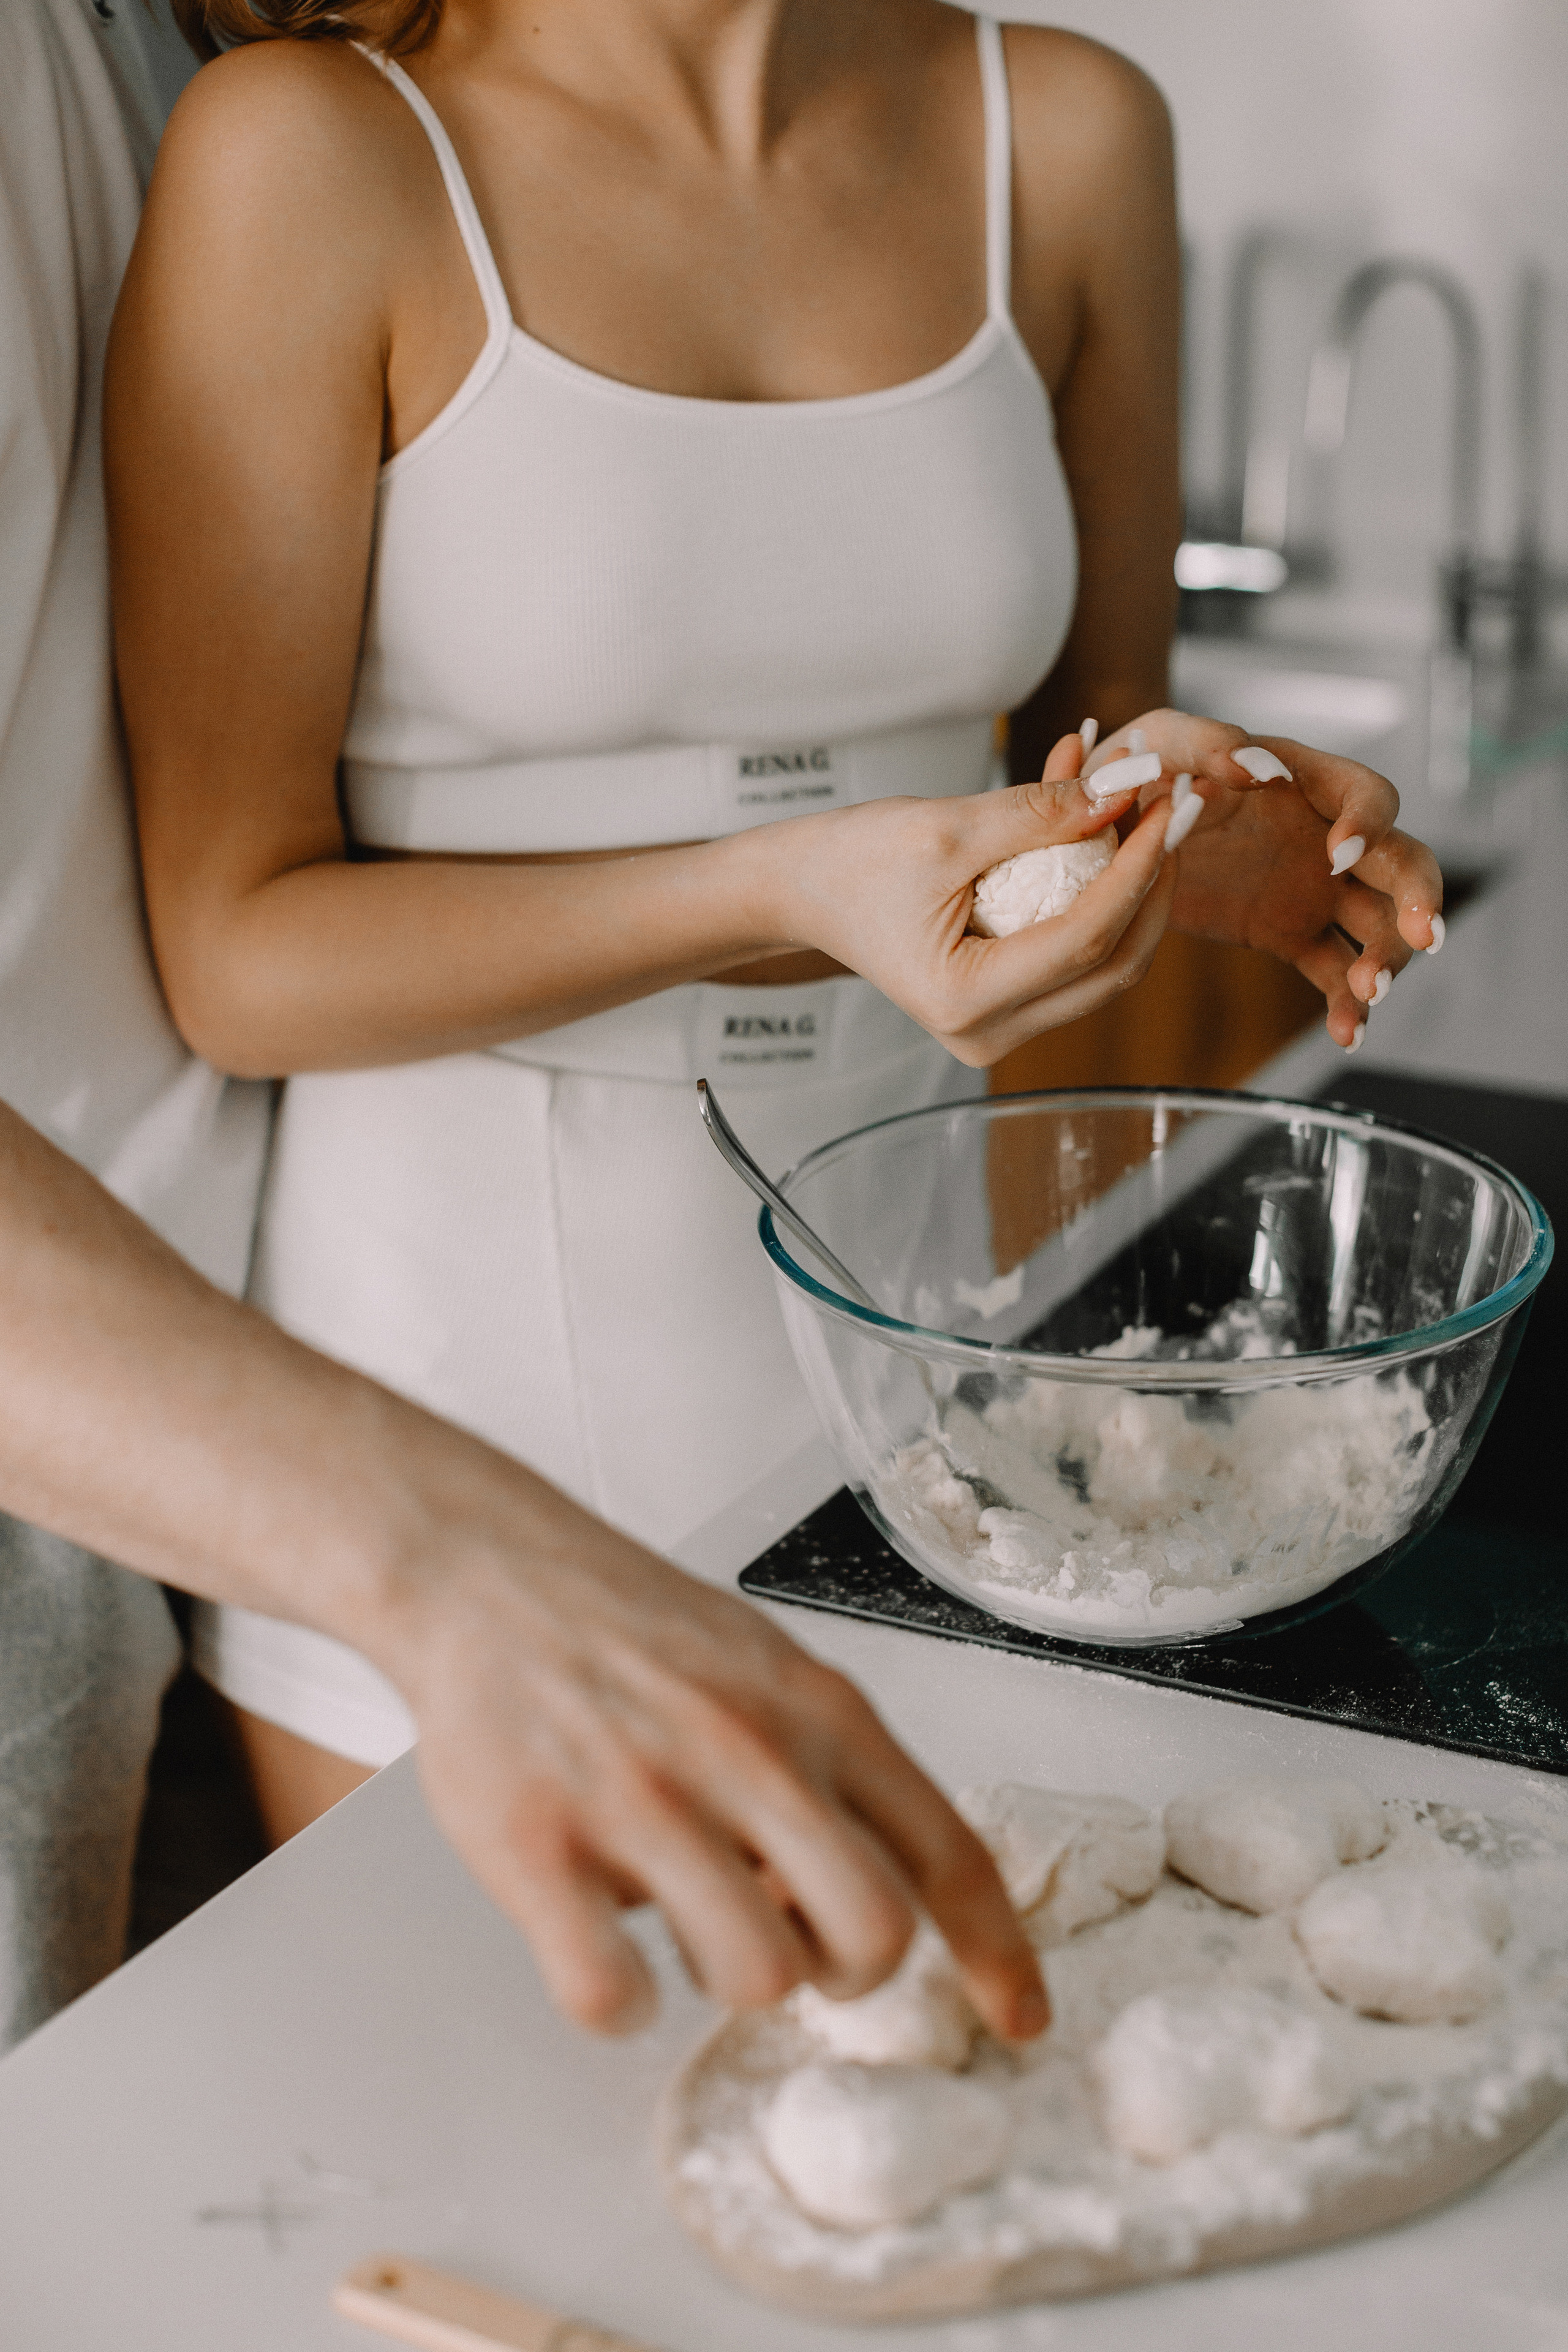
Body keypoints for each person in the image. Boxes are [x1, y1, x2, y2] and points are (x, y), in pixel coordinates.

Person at [108, 0, 1444, 1834]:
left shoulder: (1065, 132)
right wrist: (773, 887)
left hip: (926, 1351)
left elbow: (1076, 757)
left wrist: (1186, 824)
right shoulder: (311, 152)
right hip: (447, 1390)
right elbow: (236, 957)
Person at [0, 0, 1041, 2055]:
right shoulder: (275, 130)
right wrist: (439, 1552)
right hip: (183, 1421)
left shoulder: (153, 47)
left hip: (185, 1409)